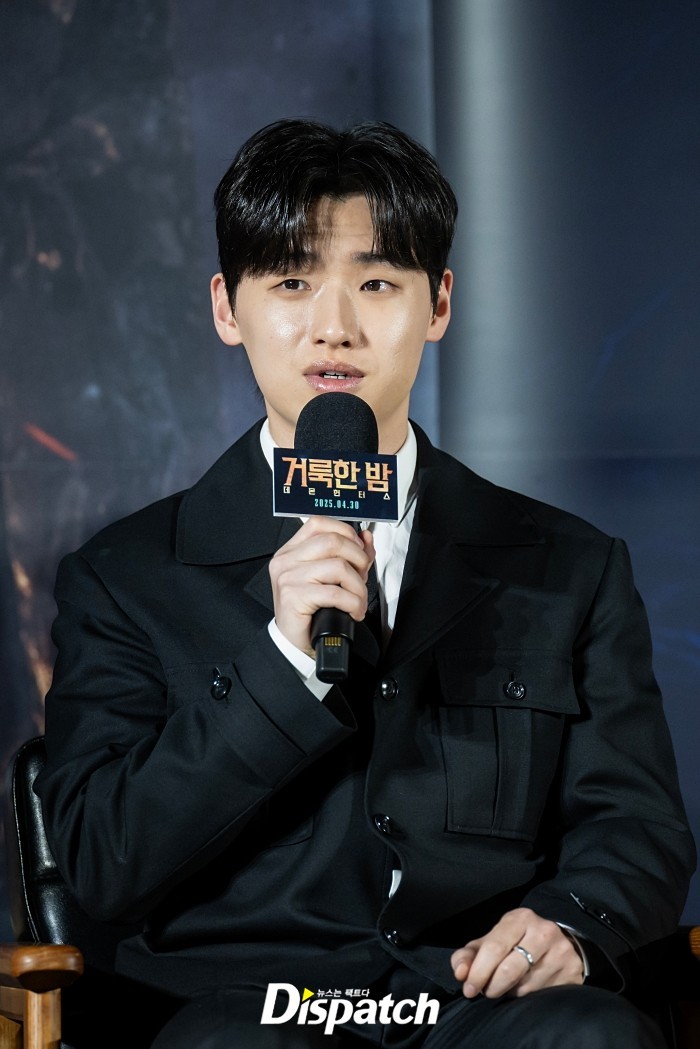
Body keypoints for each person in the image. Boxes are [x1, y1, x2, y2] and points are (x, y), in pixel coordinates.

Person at [35, 118, 695, 1049]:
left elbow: (636, 823)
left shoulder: (567, 565)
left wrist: (572, 923)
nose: (335, 325)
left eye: (378, 282)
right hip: (251, 1011)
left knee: (593, 1036)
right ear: (227, 309)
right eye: (292, 281)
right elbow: (103, 861)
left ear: (439, 304)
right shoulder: (125, 577)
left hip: (476, 1004)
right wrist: (282, 661)